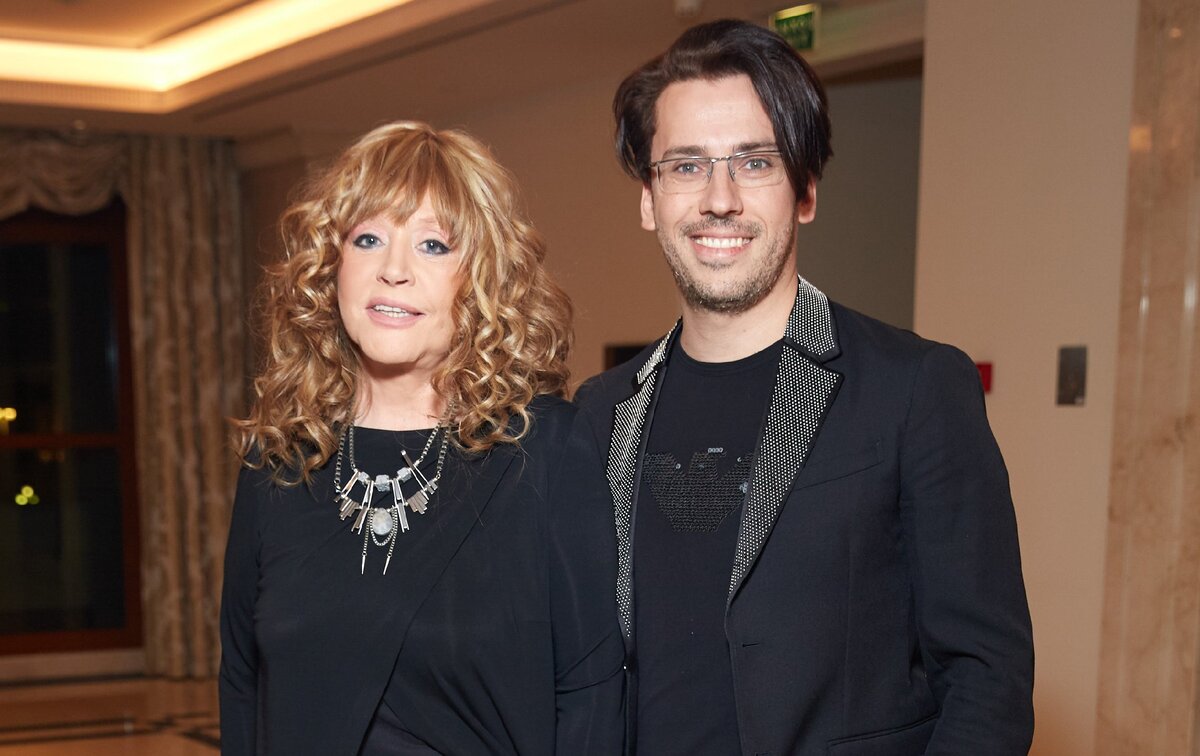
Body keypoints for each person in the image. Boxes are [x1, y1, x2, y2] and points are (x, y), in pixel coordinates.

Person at [574, 19, 1034, 756]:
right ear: (649, 199)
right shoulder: (600, 413)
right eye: (686, 166)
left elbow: (988, 680)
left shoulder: (913, 389)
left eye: (755, 162)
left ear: (805, 189)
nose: (719, 198)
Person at [219, 121, 624, 755]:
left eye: (433, 245)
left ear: (482, 278)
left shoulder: (547, 450)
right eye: (368, 238)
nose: (394, 271)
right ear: (331, 267)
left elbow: (591, 693)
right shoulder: (280, 458)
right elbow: (243, 683)